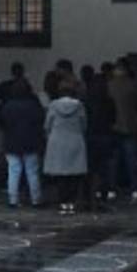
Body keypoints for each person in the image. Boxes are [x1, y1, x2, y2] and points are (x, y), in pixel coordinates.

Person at [44, 77, 90, 215]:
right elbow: (84, 124)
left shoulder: (53, 105)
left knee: (60, 175)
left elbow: (48, 124)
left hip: (57, 141)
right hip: (75, 141)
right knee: (74, 174)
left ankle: (62, 201)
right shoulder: (79, 106)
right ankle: (71, 201)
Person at [0, 79, 44, 209]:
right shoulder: (33, 105)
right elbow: (40, 122)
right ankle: (36, 199)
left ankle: (13, 199)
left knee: (13, 170)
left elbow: (3, 123)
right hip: (30, 141)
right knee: (32, 171)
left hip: (11, 141)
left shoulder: (8, 106)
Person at [107, 60, 137, 200]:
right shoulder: (134, 85)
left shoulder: (109, 86)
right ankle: (135, 188)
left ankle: (111, 189)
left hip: (113, 126)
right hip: (130, 126)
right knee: (131, 159)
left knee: (113, 160)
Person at [84, 63, 116, 200]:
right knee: (105, 166)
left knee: (91, 166)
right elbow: (113, 118)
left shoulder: (87, 101)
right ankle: (105, 190)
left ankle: (92, 191)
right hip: (105, 134)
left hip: (91, 134)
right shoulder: (109, 102)